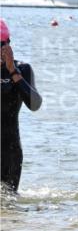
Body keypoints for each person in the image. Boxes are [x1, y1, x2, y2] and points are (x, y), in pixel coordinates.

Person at [0, 20, 43, 194]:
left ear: (8, 45)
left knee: (9, 202)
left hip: (10, 150)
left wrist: (13, 71)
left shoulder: (22, 69)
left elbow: (35, 105)